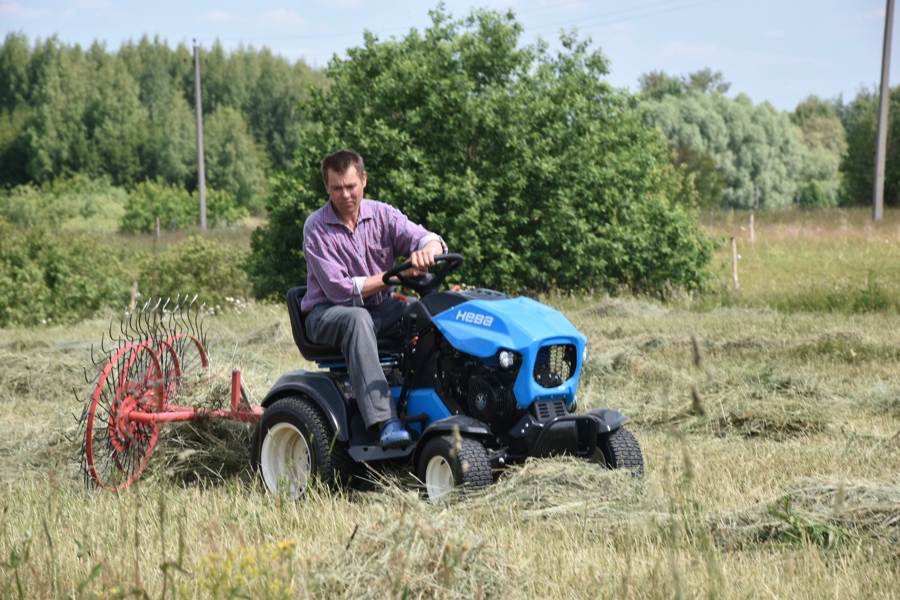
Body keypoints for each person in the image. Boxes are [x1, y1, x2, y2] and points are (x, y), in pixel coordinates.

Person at [301, 149, 446, 449]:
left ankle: (441, 399)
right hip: (328, 314)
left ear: (364, 180)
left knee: (427, 312)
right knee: (358, 319)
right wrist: (394, 275)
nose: (345, 194)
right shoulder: (316, 228)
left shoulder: (383, 214)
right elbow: (341, 291)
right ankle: (385, 421)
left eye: (351, 186)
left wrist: (427, 251)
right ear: (327, 187)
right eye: (337, 188)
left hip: (380, 309)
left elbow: (427, 238)